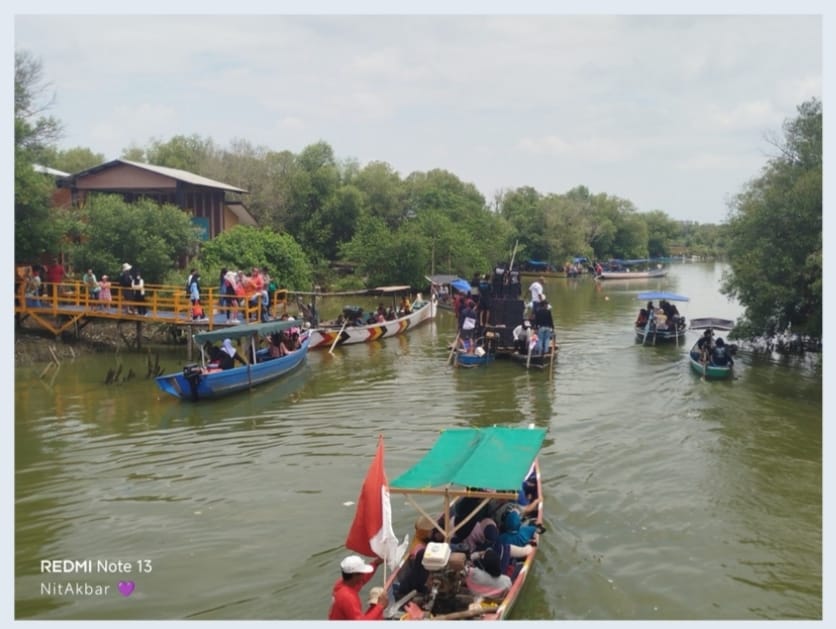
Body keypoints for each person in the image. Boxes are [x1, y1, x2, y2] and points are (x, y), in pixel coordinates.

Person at [328, 555, 388, 620]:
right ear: (355, 575)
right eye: (362, 573)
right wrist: (380, 606)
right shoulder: (347, 597)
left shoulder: (342, 584)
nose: (363, 575)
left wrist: (376, 563)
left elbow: (363, 579)